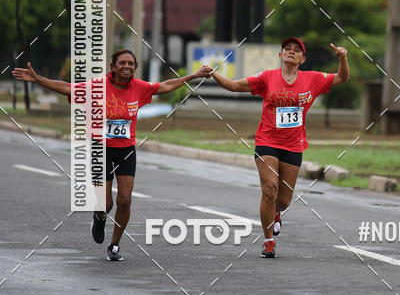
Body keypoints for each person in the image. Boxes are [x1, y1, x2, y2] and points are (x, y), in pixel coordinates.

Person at [12, 50, 212, 261]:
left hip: (126, 150)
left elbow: (164, 86)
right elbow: (67, 88)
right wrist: (37, 79)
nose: (127, 66)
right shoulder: (97, 87)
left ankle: (114, 245)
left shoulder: (139, 87)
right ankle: (99, 218)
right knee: (105, 204)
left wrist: (194, 75)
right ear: (113, 66)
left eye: (131, 63)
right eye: (123, 63)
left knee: (125, 199)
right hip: (100, 148)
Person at [204, 38, 349, 257]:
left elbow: (342, 78)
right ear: (280, 55)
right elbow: (234, 86)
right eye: (287, 49)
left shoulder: (312, 79)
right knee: (269, 189)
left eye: (296, 51)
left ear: (302, 59)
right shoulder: (267, 77)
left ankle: (277, 213)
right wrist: (213, 73)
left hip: (293, 144)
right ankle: (268, 240)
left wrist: (343, 58)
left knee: (283, 201)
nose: (291, 52)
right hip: (267, 141)